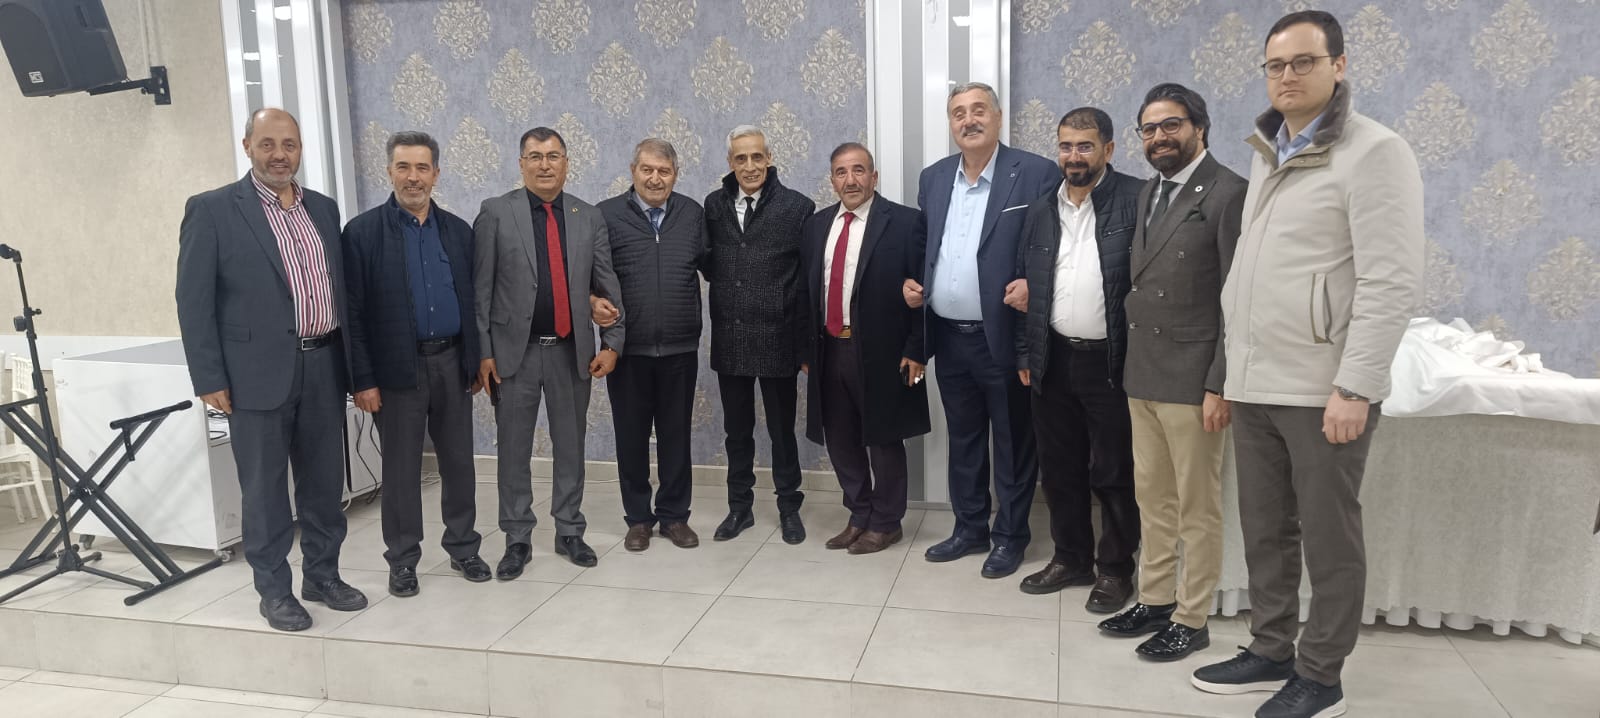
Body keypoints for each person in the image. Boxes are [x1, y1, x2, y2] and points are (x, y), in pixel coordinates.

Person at [1190, 12, 1423, 718]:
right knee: (1265, 531)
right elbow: (1251, 276)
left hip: (1324, 389)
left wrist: (1356, 385)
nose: (1286, 76)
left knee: (1329, 539)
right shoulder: (1269, 150)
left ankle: (1321, 676)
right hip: (1256, 382)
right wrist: (1227, 376)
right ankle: (1271, 648)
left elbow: (1390, 281)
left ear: (1338, 65)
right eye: (1275, 65)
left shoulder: (1375, 152)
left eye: (1303, 62)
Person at [176, 107, 367, 632]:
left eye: (289, 145)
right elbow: (194, 302)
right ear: (248, 147)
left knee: (324, 484)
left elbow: (339, 292)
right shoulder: (213, 210)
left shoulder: (323, 209)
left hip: (324, 364)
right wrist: (209, 378)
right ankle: (275, 591)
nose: (279, 155)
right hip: (253, 376)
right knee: (264, 491)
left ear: (300, 149)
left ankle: (322, 576)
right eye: (268, 144)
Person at [1095, 84, 1245, 661]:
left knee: (1196, 507)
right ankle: (1156, 599)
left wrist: (1219, 383)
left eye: (1171, 125)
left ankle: (1192, 616)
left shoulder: (1229, 192)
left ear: (1199, 128)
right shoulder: (1148, 192)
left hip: (1193, 378)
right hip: (1144, 372)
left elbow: (1237, 299)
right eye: (1149, 129)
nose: (1159, 137)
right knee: (1152, 498)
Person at [904, 82, 1058, 579]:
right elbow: (927, 246)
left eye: (977, 110)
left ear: (997, 116)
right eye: (958, 113)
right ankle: (969, 527)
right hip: (949, 336)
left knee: (1012, 442)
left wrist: (1034, 283)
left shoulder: (1035, 173)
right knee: (964, 439)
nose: (968, 120)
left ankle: (1010, 536)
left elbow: (1059, 241)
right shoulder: (934, 178)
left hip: (1005, 337)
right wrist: (914, 284)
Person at [342, 131, 491, 597]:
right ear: (389, 172)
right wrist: (362, 380)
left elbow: (472, 301)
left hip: (452, 362)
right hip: (396, 372)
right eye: (403, 167)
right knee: (402, 471)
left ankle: (464, 547)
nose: (413, 177)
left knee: (459, 464)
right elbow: (353, 314)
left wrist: (474, 360)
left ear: (436, 174)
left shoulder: (458, 232)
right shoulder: (362, 234)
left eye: (422, 168)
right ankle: (403, 560)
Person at [474, 127, 625, 577]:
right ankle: (517, 537)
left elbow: (606, 285)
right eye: (535, 156)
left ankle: (569, 529)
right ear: (521, 164)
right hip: (513, 355)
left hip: (570, 352)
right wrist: (483, 352)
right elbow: (481, 290)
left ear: (566, 163)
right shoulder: (496, 212)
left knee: (571, 445)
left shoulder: (587, 216)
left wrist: (613, 342)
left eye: (553, 156)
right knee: (513, 449)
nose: (545, 165)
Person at [1010, 107, 1143, 613]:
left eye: (1084, 146)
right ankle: (1071, 558)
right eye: (1066, 146)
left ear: (1108, 149)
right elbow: (1029, 286)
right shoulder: (1043, 208)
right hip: (1053, 356)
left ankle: (1115, 569)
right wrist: (1027, 351)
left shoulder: (1136, 200)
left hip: (1112, 362)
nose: (1074, 156)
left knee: (1112, 471)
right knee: (1059, 468)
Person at [800, 143, 929, 554]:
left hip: (882, 352)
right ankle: (859, 514)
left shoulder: (905, 222)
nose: (850, 180)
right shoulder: (816, 226)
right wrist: (805, 351)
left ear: (874, 177)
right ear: (832, 180)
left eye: (859, 170)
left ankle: (887, 523)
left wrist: (917, 349)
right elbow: (806, 292)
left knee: (883, 438)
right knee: (840, 438)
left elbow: (923, 292)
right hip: (828, 349)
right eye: (841, 172)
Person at [702, 125, 816, 544]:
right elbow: (709, 263)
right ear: (730, 163)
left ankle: (789, 508)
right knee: (737, 432)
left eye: (756, 157)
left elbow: (806, 281)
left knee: (782, 432)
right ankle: (740, 509)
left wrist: (804, 344)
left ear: (769, 158)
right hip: (730, 335)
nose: (749, 166)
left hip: (778, 338)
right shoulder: (714, 205)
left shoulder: (797, 207)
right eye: (740, 158)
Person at [597, 138, 708, 552]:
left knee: (676, 437)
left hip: (680, 348)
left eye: (664, 171)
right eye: (647, 169)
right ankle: (639, 519)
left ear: (675, 175)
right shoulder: (606, 215)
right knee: (631, 438)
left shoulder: (692, 214)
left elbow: (713, 266)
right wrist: (591, 302)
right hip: (628, 351)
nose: (655, 178)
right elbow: (590, 275)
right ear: (633, 171)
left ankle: (675, 517)